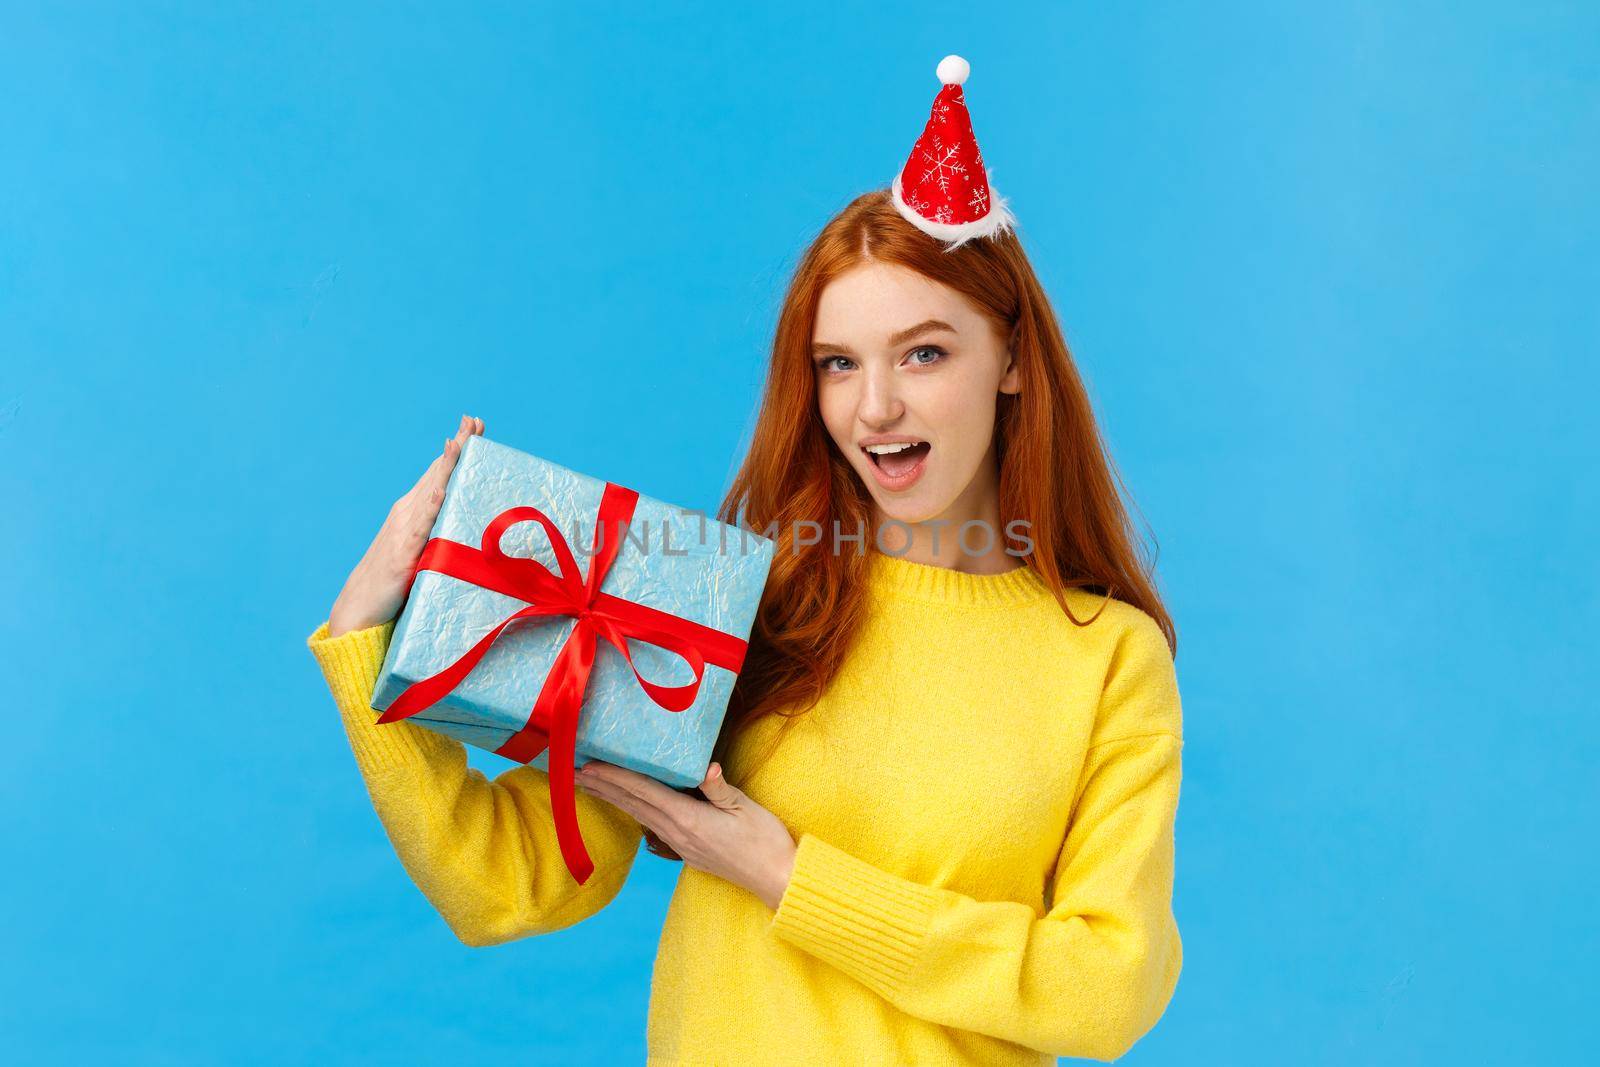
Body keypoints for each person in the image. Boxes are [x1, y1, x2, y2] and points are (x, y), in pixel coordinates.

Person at [307, 56, 1182, 1064]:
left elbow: (1106, 985)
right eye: (838, 364)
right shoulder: (737, 602)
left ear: (1015, 358)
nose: (876, 406)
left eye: (924, 353)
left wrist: (787, 875)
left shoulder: (1105, 659)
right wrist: (369, 633)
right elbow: (512, 881)